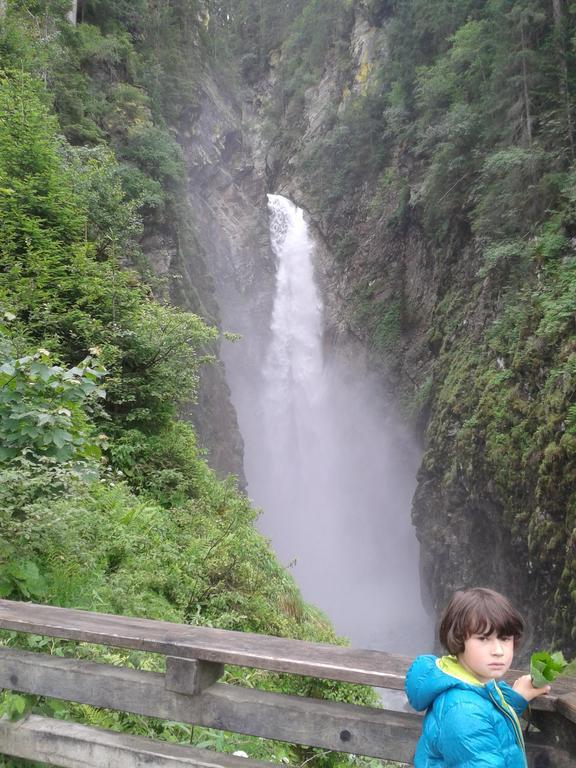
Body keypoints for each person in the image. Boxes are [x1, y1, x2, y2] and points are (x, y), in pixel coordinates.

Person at [404, 587, 551, 767]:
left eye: (505, 638)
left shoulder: (466, 685)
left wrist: (512, 700)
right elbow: (474, 727)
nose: (498, 651)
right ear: (458, 640)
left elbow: (486, 720)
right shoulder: (463, 711)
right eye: (483, 639)